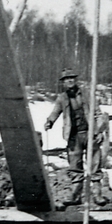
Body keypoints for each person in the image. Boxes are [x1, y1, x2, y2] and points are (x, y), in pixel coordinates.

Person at [43, 69, 89, 205]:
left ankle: (97, 195)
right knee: (75, 165)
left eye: (72, 78)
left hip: (89, 133)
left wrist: (98, 130)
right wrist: (49, 122)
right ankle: (75, 196)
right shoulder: (62, 98)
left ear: (76, 80)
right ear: (63, 82)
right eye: (66, 79)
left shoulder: (86, 94)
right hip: (73, 136)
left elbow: (96, 112)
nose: (70, 81)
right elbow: (55, 111)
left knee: (94, 164)